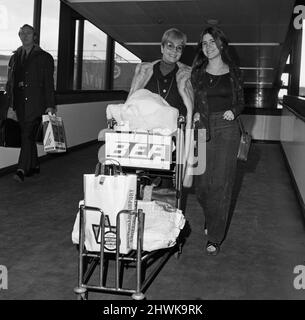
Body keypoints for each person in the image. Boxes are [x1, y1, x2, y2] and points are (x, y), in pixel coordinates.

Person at [191, 26, 244, 255]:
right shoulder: (198, 72)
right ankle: (210, 216)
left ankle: (214, 237)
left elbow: (242, 100)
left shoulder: (233, 71)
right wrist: (193, 112)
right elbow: (191, 97)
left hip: (227, 127)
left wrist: (235, 110)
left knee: (222, 185)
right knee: (201, 185)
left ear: (221, 44)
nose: (208, 46)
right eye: (204, 43)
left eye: (212, 41)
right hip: (202, 126)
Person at [128, 28, 194, 187]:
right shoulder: (144, 70)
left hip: (174, 138)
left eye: (179, 48)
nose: (174, 51)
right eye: (170, 46)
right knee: (143, 183)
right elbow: (132, 100)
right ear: (162, 47)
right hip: (145, 136)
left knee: (169, 188)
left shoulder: (187, 74)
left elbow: (191, 105)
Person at [5, 24, 56, 182]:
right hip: (19, 104)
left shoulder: (44, 57)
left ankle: (21, 169)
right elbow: (10, 83)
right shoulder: (15, 57)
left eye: (29, 33)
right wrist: (10, 105)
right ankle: (34, 165)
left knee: (27, 134)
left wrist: (50, 105)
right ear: (19, 36)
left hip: (37, 103)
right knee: (27, 135)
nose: (25, 35)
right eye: (22, 33)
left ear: (35, 36)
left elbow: (49, 83)